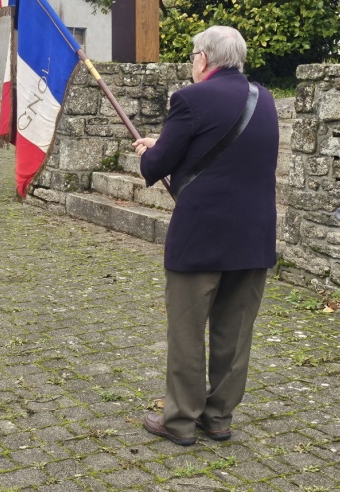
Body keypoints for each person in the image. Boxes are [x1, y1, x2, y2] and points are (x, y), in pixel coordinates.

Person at [132, 25, 279, 445]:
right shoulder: (263, 98)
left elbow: (154, 167)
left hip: (201, 235)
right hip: (253, 236)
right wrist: (168, 143)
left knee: (187, 331)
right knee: (234, 334)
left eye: (193, 55)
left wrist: (150, 150)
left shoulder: (190, 98)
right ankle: (218, 418)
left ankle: (179, 422)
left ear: (203, 59)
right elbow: (232, 151)